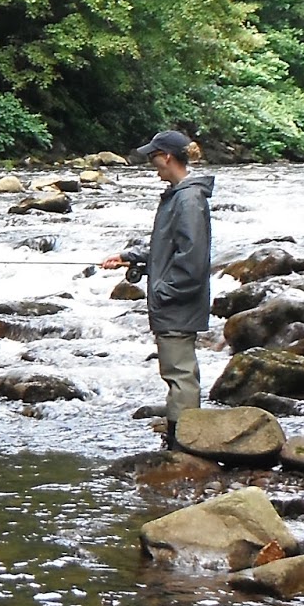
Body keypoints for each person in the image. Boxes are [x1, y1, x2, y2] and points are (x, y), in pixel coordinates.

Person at [101, 129, 213, 450]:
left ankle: (184, 443)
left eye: (154, 158)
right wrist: (130, 257)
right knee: (176, 372)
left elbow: (192, 262)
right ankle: (180, 437)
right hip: (174, 302)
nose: (153, 166)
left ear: (167, 156)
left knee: (180, 374)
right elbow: (168, 250)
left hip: (177, 303)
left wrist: (162, 293)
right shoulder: (179, 195)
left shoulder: (189, 200)